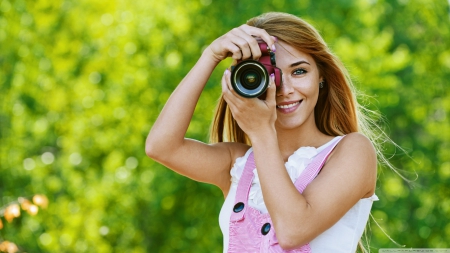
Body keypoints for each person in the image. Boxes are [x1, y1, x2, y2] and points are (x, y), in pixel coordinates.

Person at [146, 12, 379, 252]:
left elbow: (292, 232)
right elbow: (161, 147)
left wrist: (261, 132)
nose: (285, 89)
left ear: (321, 76)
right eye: (271, 74)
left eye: (299, 71)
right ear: (245, 81)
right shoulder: (237, 163)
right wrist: (211, 55)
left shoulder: (352, 151)